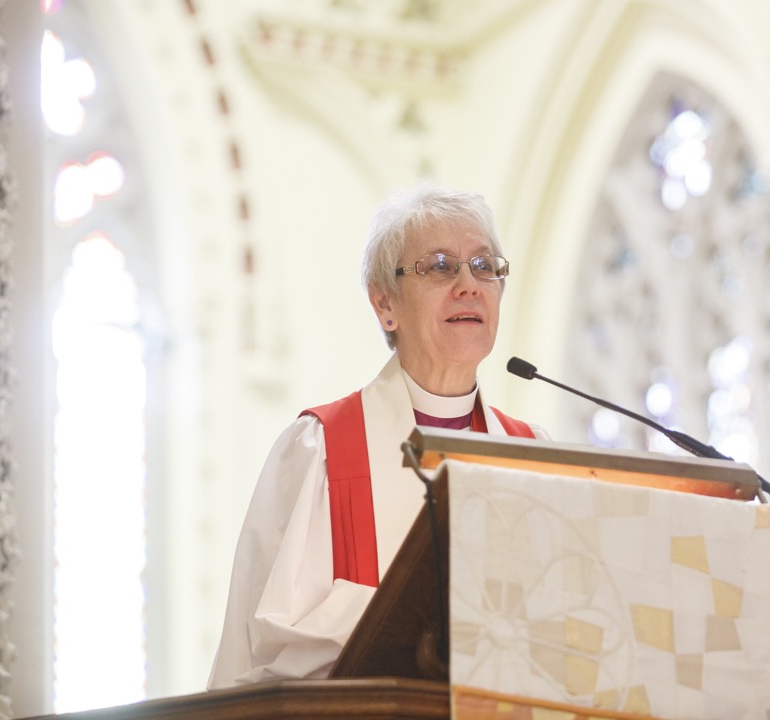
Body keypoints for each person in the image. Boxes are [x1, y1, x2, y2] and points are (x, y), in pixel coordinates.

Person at [207, 183, 549, 688]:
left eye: (484, 266)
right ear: (385, 304)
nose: (469, 284)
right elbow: (277, 644)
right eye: (439, 266)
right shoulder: (321, 449)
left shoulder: (535, 453)